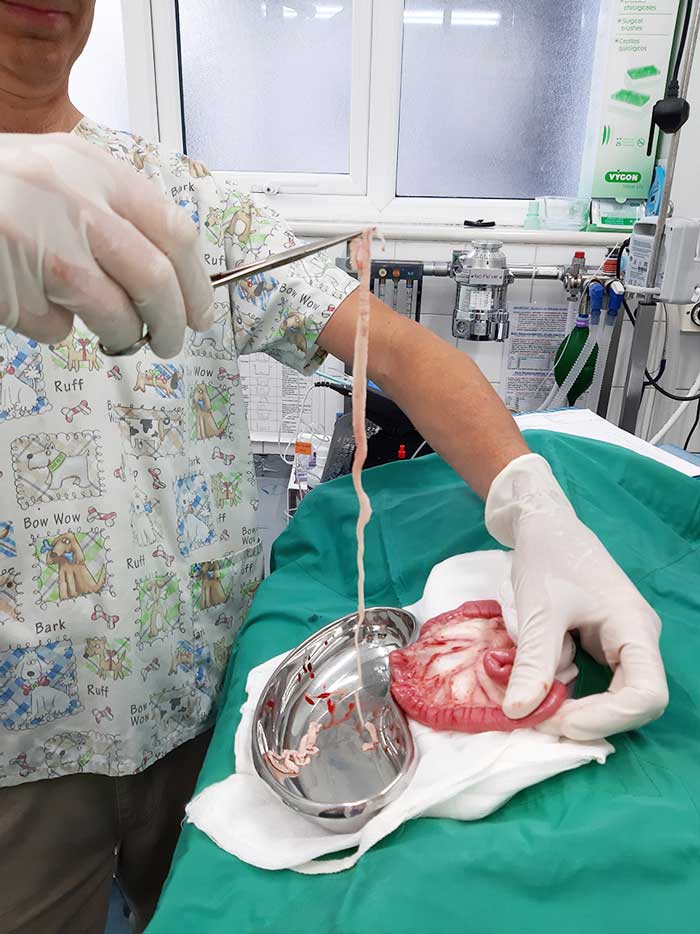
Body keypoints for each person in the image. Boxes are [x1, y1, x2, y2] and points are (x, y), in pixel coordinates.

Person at [0, 2, 668, 932]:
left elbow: (398, 351)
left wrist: (535, 502)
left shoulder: (173, 198)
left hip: (204, 703)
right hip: (22, 753)